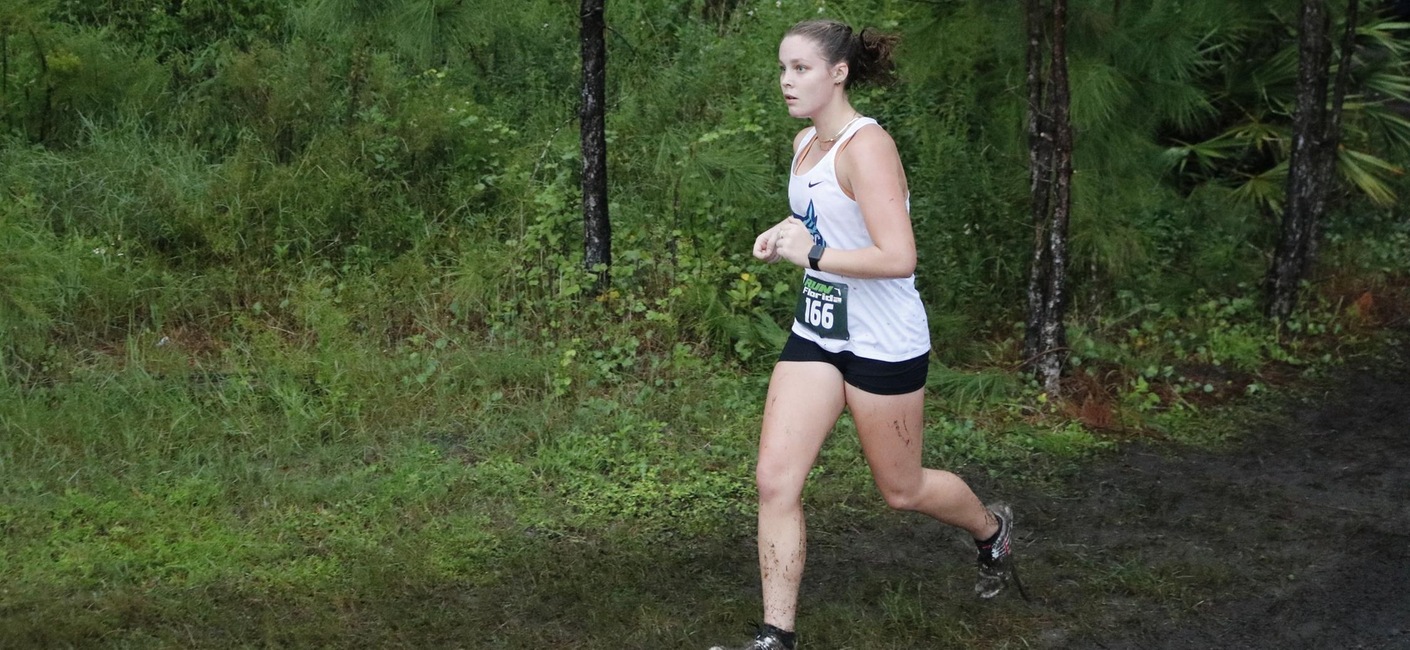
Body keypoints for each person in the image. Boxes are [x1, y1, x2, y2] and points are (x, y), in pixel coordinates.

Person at [709, 19, 1022, 650]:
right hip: (820, 332)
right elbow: (821, 217)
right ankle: (776, 638)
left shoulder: (867, 146)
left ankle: (991, 530)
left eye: (799, 69)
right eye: (782, 68)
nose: (785, 81)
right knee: (775, 479)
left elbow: (899, 256)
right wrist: (784, 234)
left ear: (839, 72)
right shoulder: (805, 145)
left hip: (882, 340)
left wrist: (813, 254)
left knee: (902, 491)